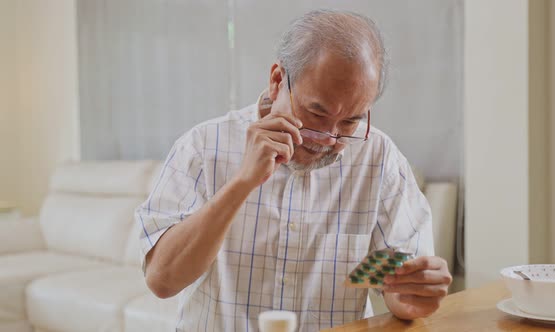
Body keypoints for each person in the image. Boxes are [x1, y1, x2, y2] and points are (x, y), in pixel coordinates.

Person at [135, 9, 452, 332]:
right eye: (316, 112)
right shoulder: (202, 147)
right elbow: (162, 281)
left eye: (351, 120)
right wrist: (243, 182)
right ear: (277, 81)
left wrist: (414, 295)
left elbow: (399, 291)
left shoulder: (380, 159)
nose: (329, 138)